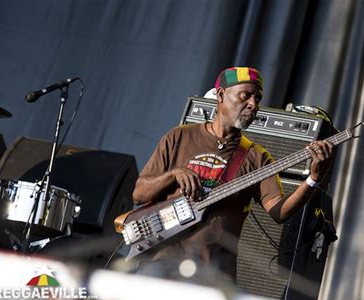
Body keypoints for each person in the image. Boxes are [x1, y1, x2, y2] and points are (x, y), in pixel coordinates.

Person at [131, 66, 334, 283]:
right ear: (221, 95)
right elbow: (138, 195)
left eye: (258, 98)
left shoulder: (257, 157)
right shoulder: (179, 137)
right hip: (161, 264)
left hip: (212, 275)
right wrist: (173, 175)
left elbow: (279, 211)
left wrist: (313, 179)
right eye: (245, 95)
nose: (253, 105)